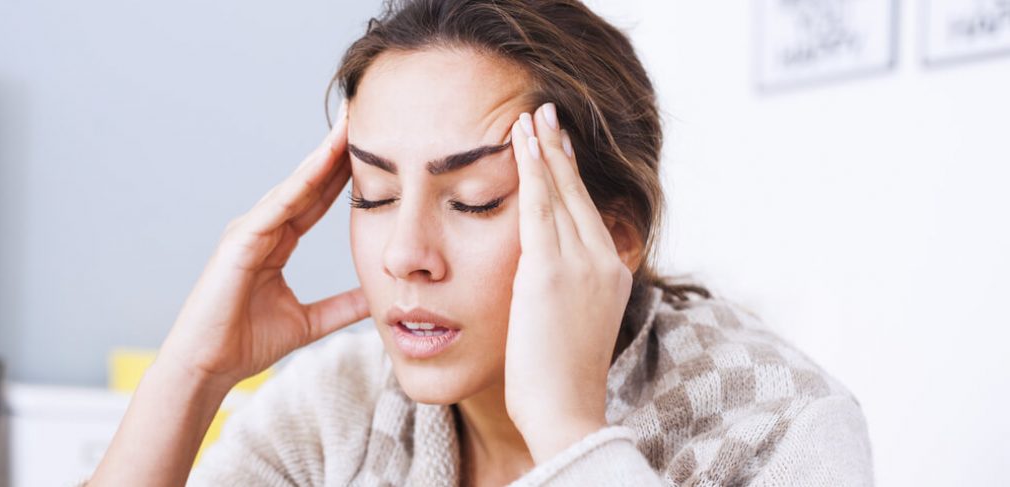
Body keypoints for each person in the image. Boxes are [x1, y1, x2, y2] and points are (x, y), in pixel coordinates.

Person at [85, 0, 873, 485]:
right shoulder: (336, 410)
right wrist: (190, 373)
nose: (405, 254)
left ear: (617, 234)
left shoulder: (784, 429)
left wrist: (569, 432)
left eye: (473, 200)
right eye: (376, 194)